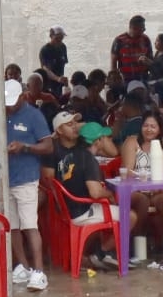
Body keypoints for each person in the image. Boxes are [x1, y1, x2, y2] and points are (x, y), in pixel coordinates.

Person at [45, 110, 119, 271]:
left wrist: (87, 129)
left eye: (75, 123)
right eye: (69, 124)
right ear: (59, 130)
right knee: (128, 215)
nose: (74, 126)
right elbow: (95, 193)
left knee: (105, 207)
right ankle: (101, 253)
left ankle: (94, 254)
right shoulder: (59, 150)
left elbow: (113, 152)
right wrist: (110, 194)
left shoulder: (80, 148)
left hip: (75, 204)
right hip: (78, 207)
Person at [2, 79, 52, 290]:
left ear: (23, 96)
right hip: (5, 177)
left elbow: (48, 146)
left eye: (13, 102)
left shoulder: (34, 115)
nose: (10, 106)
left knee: (30, 225)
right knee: (12, 225)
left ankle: (39, 271)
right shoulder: (1, 114)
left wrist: (25, 147)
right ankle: (23, 266)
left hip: (26, 177)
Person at [120, 110, 163, 263]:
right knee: (142, 201)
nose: (149, 129)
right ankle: (137, 240)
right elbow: (127, 171)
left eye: (153, 126)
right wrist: (142, 177)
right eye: (146, 125)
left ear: (160, 128)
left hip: (157, 190)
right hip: (136, 190)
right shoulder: (132, 142)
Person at [111, 14, 154, 83]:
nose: (144, 30)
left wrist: (147, 61)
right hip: (125, 79)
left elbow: (151, 59)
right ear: (133, 27)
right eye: (142, 28)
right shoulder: (119, 40)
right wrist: (115, 79)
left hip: (143, 78)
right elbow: (113, 62)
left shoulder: (145, 39)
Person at [39, 26, 69, 95]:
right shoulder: (45, 50)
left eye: (61, 38)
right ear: (51, 36)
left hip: (60, 83)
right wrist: (57, 78)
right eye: (57, 38)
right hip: (49, 85)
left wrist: (62, 80)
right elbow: (46, 69)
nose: (59, 40)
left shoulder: (63, 47)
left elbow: (63, 64)